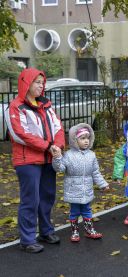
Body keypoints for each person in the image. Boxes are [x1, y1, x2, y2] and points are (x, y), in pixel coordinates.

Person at [5, 68, 65, 253]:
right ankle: (27, 239)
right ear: (26, 83)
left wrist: (58, 145)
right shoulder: (15, 107)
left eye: (42, 83)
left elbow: (58, 127)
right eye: (37, 82)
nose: (41, 86)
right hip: (27, 161)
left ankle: (46, 231)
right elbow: (20, 134)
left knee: (47, 197)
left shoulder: (46, 105)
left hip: (48, 158)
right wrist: (49, 146)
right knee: (31, 200)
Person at [52, 124, 109, 242]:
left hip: (86, 189)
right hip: (73, 189)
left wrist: (103, 184)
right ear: (75, 140)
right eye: (82, 138)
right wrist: (57, 158)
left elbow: (95, 172)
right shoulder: (68, 155)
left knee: (87, 210)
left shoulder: (91, 155)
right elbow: (60, 169)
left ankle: (89, 230)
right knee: (74, 211)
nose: (86, 141)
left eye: (88, 138)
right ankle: (75, 231)